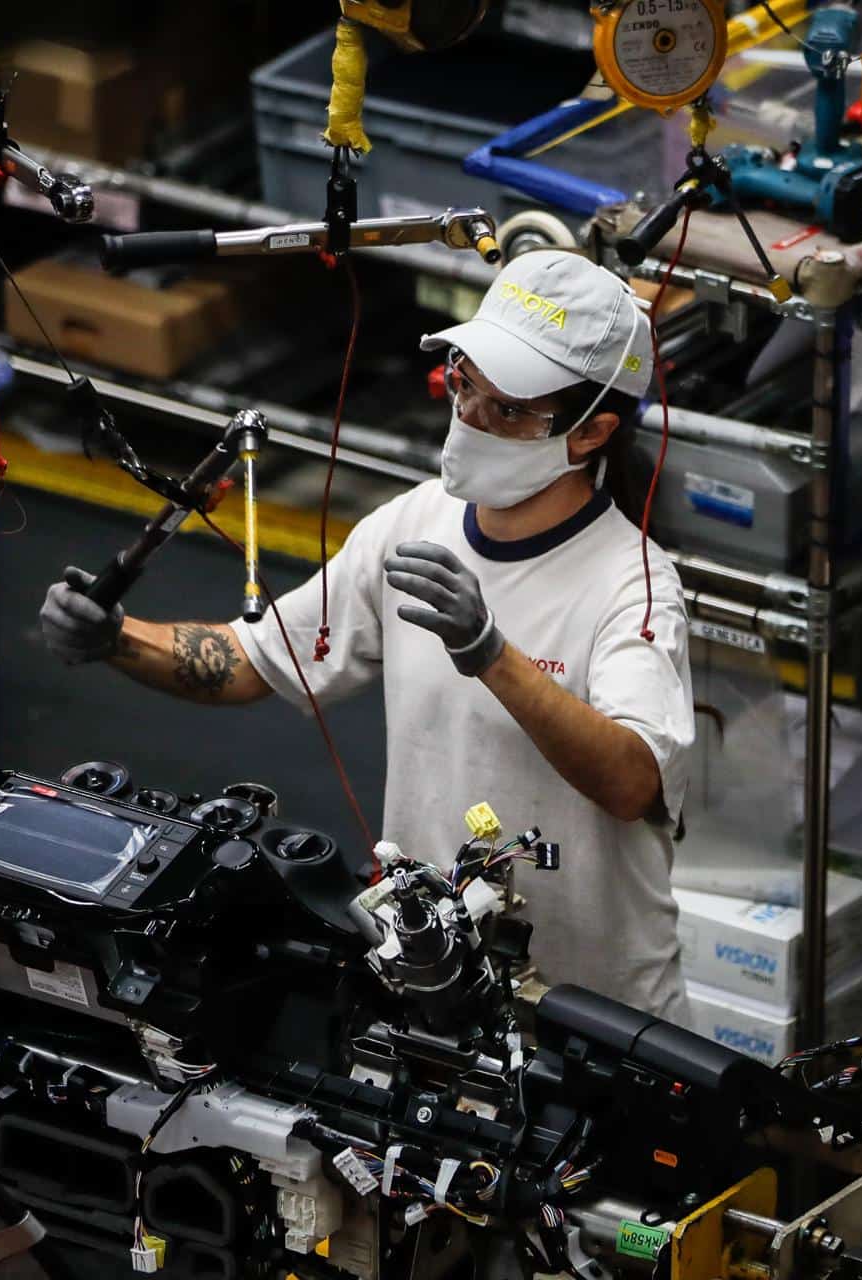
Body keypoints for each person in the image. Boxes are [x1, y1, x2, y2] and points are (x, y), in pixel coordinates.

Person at [41, 251, 695, 1021]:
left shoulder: (633, 585)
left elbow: (632, 783)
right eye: (464, 385)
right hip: (433, 985)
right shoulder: (413, 525)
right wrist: (116, 637)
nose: (470, 420)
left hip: (590, 1014)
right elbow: (253, 660)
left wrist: (490, 654)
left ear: (591, 435)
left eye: (507, 409)